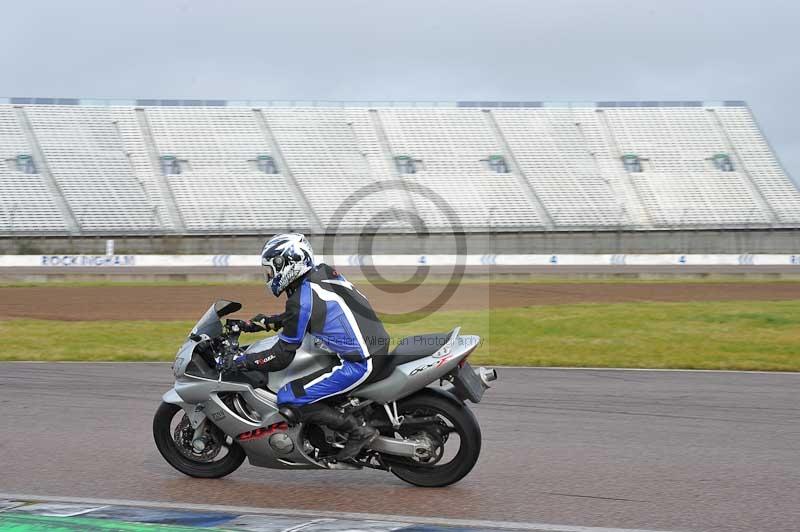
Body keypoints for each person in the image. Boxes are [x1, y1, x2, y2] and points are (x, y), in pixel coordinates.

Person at [223, 233, 389, 461]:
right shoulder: (321, 272)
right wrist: (268, 322)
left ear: (288, 264)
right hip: (376, 343)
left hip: (360, 362)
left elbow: (281, 356)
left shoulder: (300, 300)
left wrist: (241, 361)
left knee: (290, 396)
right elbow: (310, 313)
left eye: (271, 270)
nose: (269, 276)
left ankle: (357, 431)